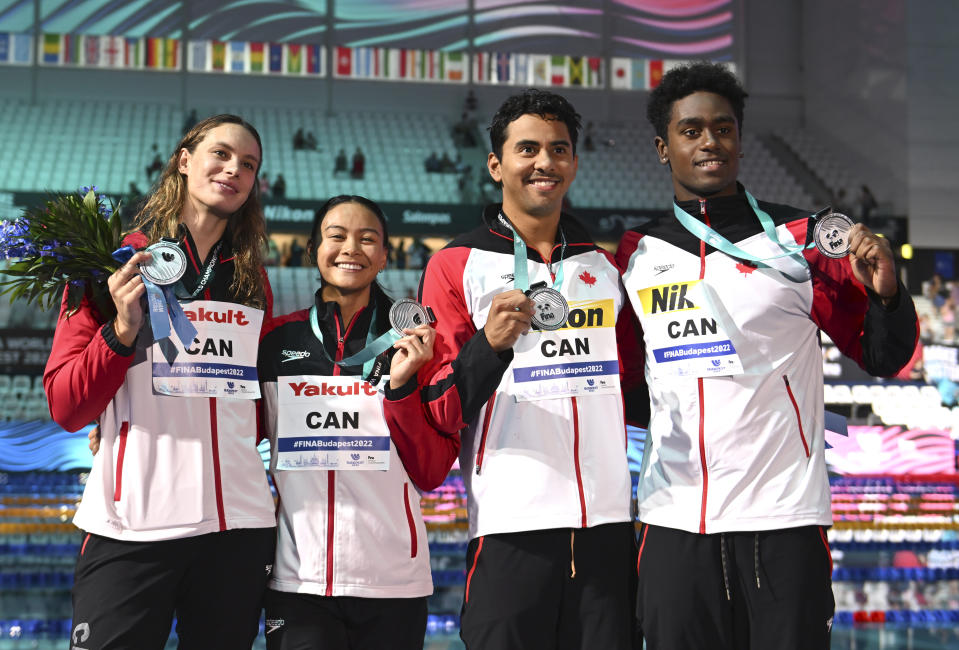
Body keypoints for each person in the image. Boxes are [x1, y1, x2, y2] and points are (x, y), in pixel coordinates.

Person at [615, 62, 919, 650]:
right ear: (663, 147)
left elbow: (882, 354)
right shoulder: (636, 252)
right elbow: (631, 384)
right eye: (692, 130)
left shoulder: (801, 241)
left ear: (739, 140)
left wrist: (887, 292)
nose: (710, 142)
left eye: (724, 129)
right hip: (675, 521)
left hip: (783, 522)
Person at [44, 114, 277, 648]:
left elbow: (251, 401)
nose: (233, 170)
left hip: (237, 527)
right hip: (133, 524)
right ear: (185, 159)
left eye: (248, 165)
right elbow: (65, 403)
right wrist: (122, 333)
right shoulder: (113, 261)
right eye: (220, 154)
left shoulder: (248, 275)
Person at [417, 89, 637, 650]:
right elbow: (440, 404)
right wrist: (487, 346)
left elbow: (636, 386)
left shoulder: (605, 266)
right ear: (496, 165)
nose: (545, 162)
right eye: (528, 148)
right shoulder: (455, 265)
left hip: (607, 526)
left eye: (559, 150)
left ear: (574, 163)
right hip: (510, 527)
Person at [258, 195, 458, 649]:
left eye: (368, 239)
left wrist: (403, 388)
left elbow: (431, 470)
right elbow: (232, 432)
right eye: (337, 237)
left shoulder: (416, 343)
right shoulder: (275, 342)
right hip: (298, 581)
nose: (352, 248)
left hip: (392, 583)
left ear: (385, 255)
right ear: (312, 250)